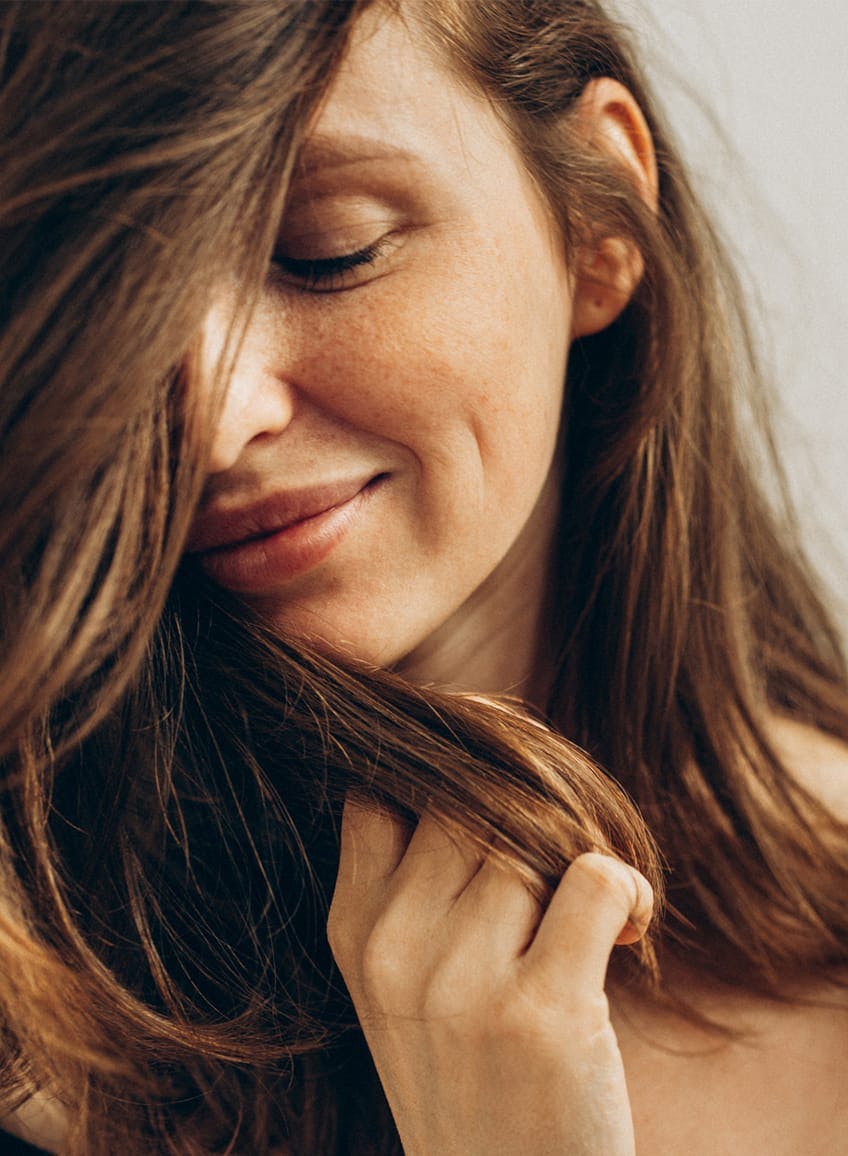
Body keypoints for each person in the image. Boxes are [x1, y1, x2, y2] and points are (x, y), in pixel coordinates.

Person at [1, 2, 845, 1155]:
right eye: (105, 303)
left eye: (325, 249)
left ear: (598, 223)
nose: (214, 417)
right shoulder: (36, 1015)